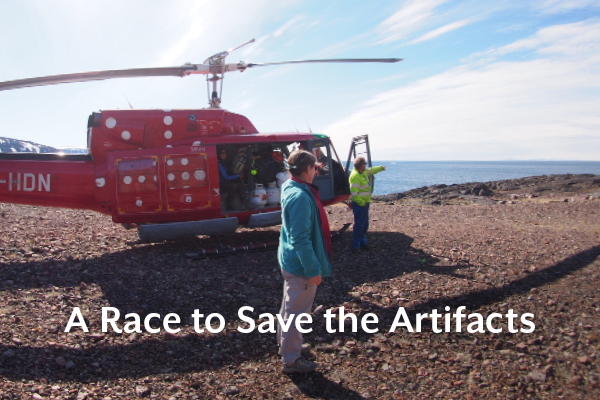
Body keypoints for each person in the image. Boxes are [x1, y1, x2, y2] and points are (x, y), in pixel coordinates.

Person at [277, 150, 332, 374]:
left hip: (289, 259)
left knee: (289, 308)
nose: (316, 172)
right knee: (296, 312)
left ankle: (288, 346)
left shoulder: (289, 186)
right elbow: (300, 238)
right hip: (300, 266)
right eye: (315, 168)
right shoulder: (300, 196)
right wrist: (313, 269)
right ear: (308, 169)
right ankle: (291, 360)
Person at [348, 157, 386, 253]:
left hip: (365, 203)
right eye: (365, 163)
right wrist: (362, 203)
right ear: (361, 165)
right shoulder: (355, 176)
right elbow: (354, 194)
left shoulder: (362, 172)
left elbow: (371, 170)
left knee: (364, 225)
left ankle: (363, 244)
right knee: (359, 225)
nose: (366, 165)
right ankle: (355, 246)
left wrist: (381, 168)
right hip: (360, 205)